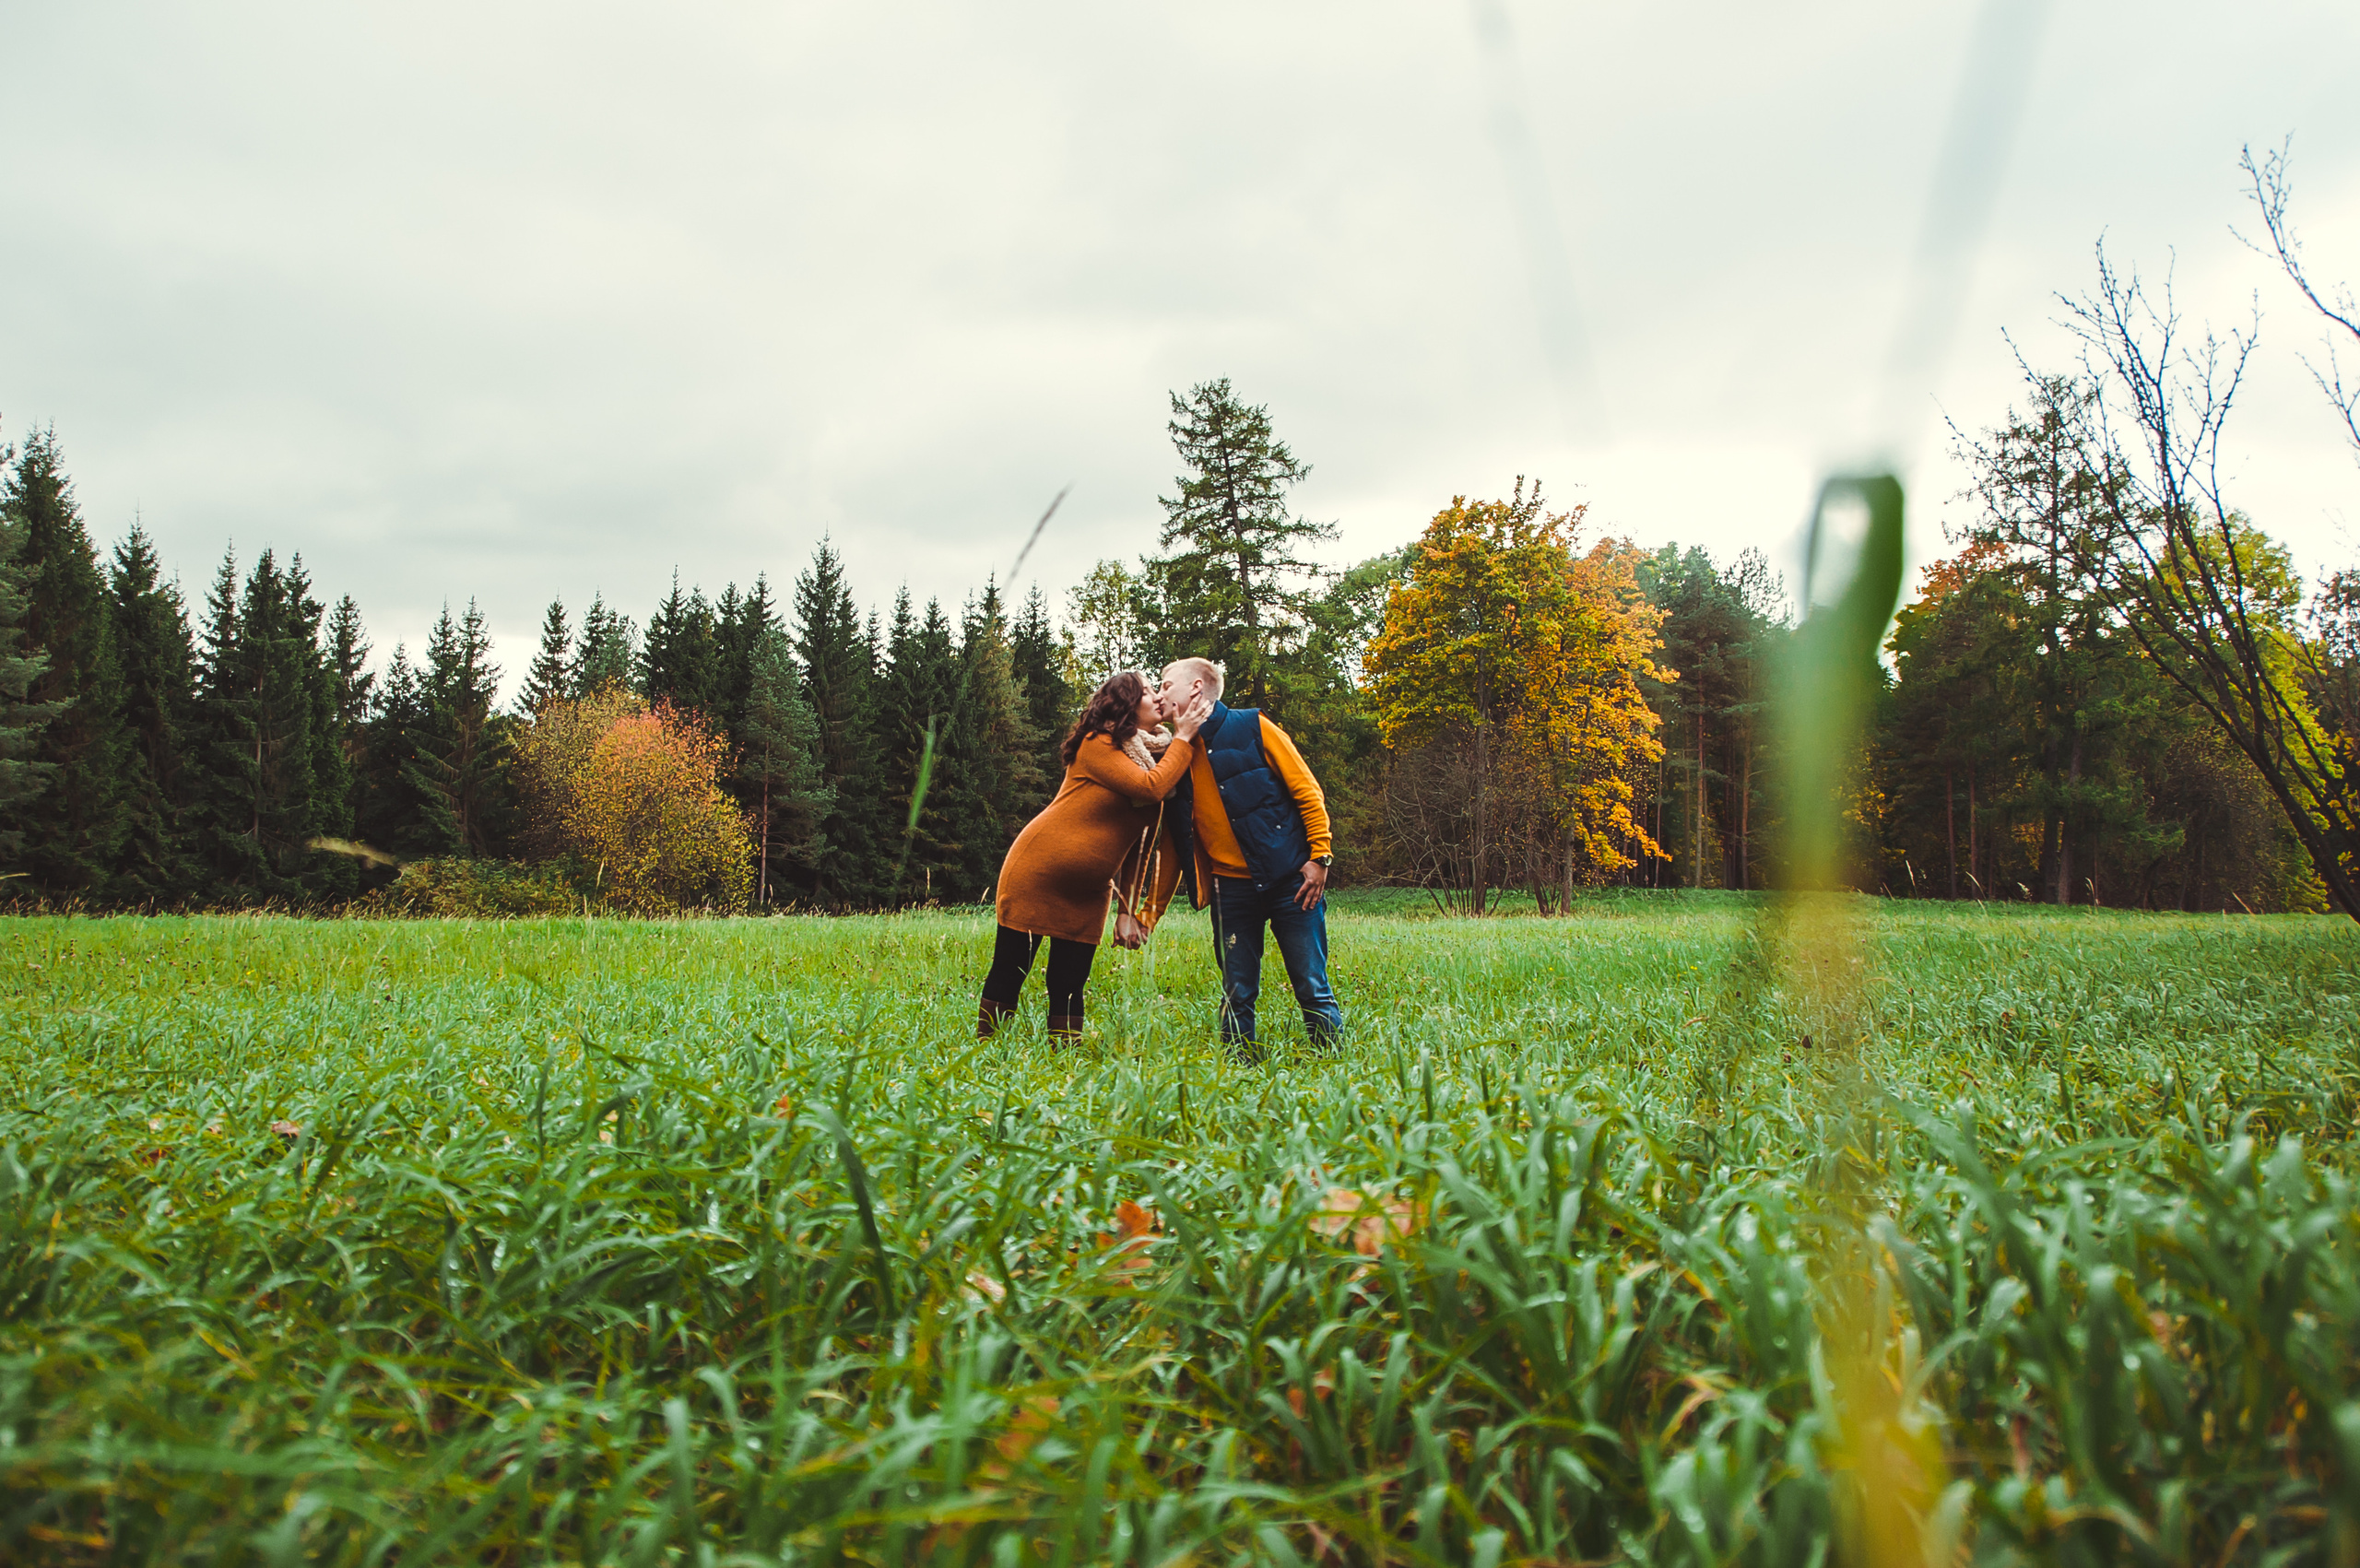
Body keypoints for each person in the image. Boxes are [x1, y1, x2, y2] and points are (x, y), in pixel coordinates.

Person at [979, 671, 1211, 1041]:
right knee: (1012, 968)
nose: (1156, 698)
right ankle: (988, 1050)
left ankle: (1064, 1058)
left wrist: (1126, 912)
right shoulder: (1098, 743)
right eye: (1148, 692)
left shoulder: (1154, 757)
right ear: (1128, 704)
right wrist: (1184, 737)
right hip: (1037, 873)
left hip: (1089, 891)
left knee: (1069, 981)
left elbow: (1141, 845)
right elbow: (1150, 789)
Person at [1156, 656, 1340, 1058]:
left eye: (1166, 684)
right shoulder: (1175, 754)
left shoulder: (1254, 726)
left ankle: (1332, 1062)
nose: (1159, 693)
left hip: (1291, 879)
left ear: (1196, 689)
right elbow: (1174, 840)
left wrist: (1320, 858)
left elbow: (1308, 792)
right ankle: (1239, 1068)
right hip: (1230, 890)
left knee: (1311, 982)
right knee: (1237, 989)